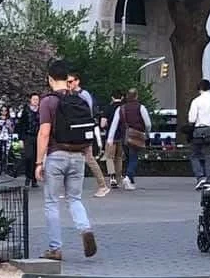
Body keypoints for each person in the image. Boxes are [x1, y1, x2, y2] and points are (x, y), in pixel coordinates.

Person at [33, 57, 97, 260]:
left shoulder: (48, 101)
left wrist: (38, 162)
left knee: (52, 202)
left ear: (50, 79)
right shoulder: (79, 100)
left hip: (56, 155)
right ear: (67, 79)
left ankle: (55, 248)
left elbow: (44, 133)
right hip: (78, 155)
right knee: (75, 199)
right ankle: (85, 228)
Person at [71, 74, 113, 197]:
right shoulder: (75, 95)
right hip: (80, 130)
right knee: (80, 158)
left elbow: (89, 113)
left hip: (84, 130)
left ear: (77, 81)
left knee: (88, 158)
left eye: (71, 81)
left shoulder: (83, 95)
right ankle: (101, 186)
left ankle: (102, 185)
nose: (69, 84)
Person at [185, 77, 210, 187]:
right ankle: (209, 180)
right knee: (209, 155)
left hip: (198, 131)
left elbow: (192, 119)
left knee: (194, 155)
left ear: (199, 88)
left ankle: (200, 176)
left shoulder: (196, 101)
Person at [112, 88, 150, 190]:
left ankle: (130, 181)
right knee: (134, 158)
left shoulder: (121, 109)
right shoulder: (141, 107)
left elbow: (114, 124)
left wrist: (110, 139)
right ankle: (128, 177)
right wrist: (147, 133)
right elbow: (147, 123)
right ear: (137, 96)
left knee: (129, 158)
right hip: (137, 135)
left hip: (124, 136)